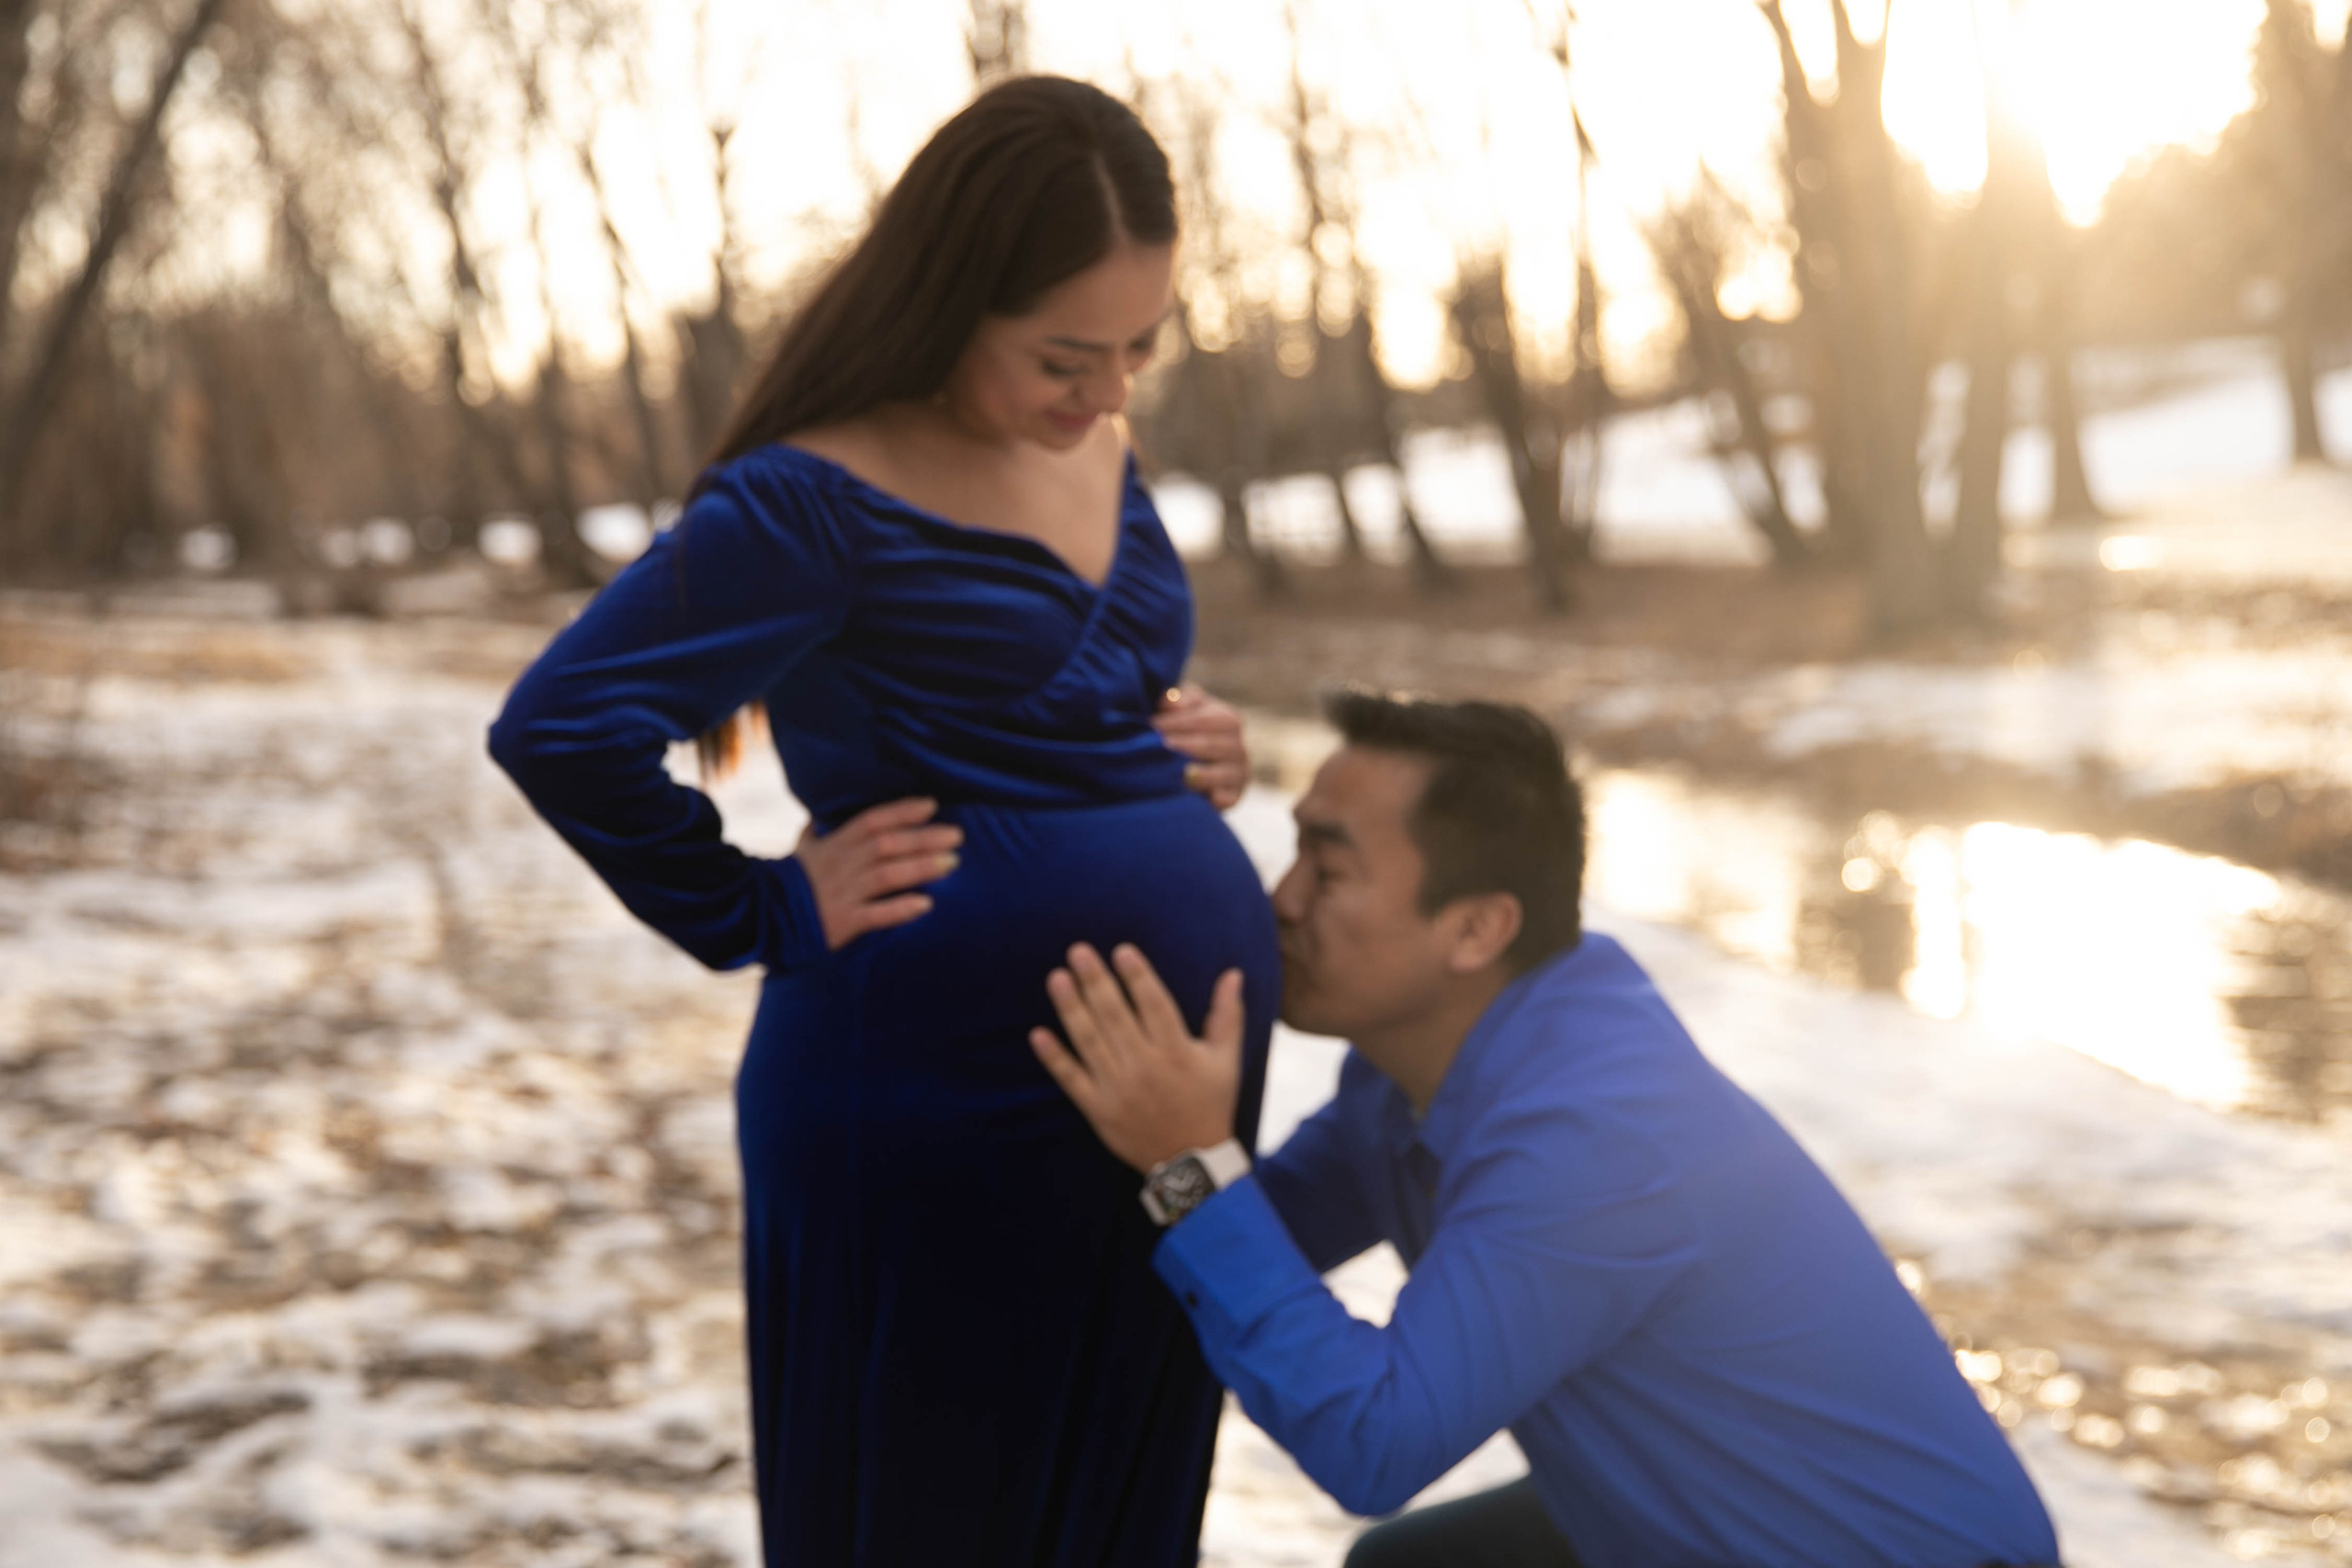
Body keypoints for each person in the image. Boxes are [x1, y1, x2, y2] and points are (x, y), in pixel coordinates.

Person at [487, 76, 1280, 1568]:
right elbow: (560, 725)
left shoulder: (1103, 451)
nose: (1108, 395)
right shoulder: (812, 504)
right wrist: (763, 911)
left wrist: (1186, 740)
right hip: (935, 1107)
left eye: (1139, 350)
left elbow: (1068, 688)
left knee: (1124, 1511)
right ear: (950, 302)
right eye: (1064, 355)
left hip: (1164, 1107)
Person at [1031, 692, 2063, 1568]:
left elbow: (1371, 1442)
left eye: (1327, 870)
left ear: (1477, 928)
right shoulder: (1409, 1076)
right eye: (1292, 849)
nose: (1281, 898)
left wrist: (1189, 1165)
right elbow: (1248, 1243)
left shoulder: (1600, 1138)